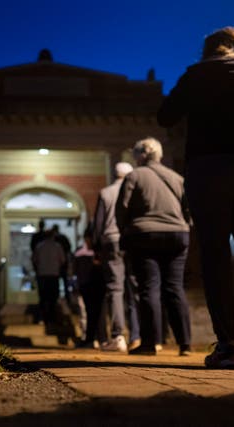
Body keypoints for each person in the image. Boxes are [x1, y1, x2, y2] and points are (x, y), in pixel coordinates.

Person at [158, 27, 234, 369]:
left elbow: (165, 115)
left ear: (209, 50)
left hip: (208, 169)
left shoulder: (198, 73)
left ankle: (227, 346)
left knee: (214, 257)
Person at [115, 137, 192, 356]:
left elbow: (122, 208)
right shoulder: (176, 178)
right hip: (178, 234)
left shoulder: (134, 176)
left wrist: (124, 232)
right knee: (175, 287)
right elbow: (188, 207)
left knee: (149, 288)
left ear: (140, 156)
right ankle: (184, 343)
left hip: (145, 235)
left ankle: (149, 343)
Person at [92, 162, 138, 352]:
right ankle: (138, 335)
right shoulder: (136, 190)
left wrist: (96, 248)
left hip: (111, 241)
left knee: (115, 289)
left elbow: (98, 223)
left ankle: (118, 336)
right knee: (136, 289)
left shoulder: (106, 192)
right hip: (133, 240)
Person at [72, 226, 106, 348]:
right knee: (91, 312)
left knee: (98, 312)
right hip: (86, 285)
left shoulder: (98, 252)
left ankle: (100, 338)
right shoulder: (80, 252)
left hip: (96, 285)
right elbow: (74, 271)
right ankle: (92, 338)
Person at [32, 229, 67, 333]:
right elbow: (63, 260)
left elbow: (34, 260)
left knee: (43, 298)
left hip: (42, 274)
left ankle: (43, 318)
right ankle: (51, 319)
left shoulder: (39, 246)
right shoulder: (57, 246)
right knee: (52, 298)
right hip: (53, 274)